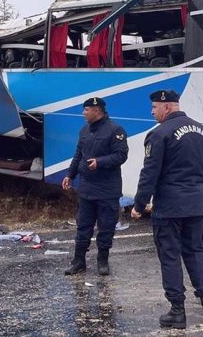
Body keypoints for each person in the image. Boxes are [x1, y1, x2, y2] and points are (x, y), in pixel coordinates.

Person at [131, 89, 203, 329]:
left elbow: (149, 174)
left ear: (167, 107)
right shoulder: (200, 130)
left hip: (169, 207)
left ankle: (177, 311)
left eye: (154, 107)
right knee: (195, 252)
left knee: (170, 257)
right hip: (195, 205)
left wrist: (139, 205)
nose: (152, 111)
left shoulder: (159, 134)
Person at [62, 97, 129, 276]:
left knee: (106, 227)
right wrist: (70, 175)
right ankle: (78, 261)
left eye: (86, 110)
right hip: (87, 188)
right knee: (83, 226)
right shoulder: (84, 130)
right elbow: (78, 155)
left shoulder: (115, 130)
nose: (83, 113)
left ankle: (103, 261)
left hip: (108, 189)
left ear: (96, 110)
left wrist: (100, 162)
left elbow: (121, 155)